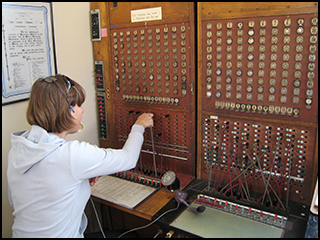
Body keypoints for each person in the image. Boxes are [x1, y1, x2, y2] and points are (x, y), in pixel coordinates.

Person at [7, 74, 154, 238]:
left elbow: (19, 203)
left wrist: (78, 181)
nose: (82, 110)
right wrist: (139, 126)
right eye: (78, 105)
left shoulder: (19, 147)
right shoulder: (71, 154)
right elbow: (128, 159)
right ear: (67, 110)